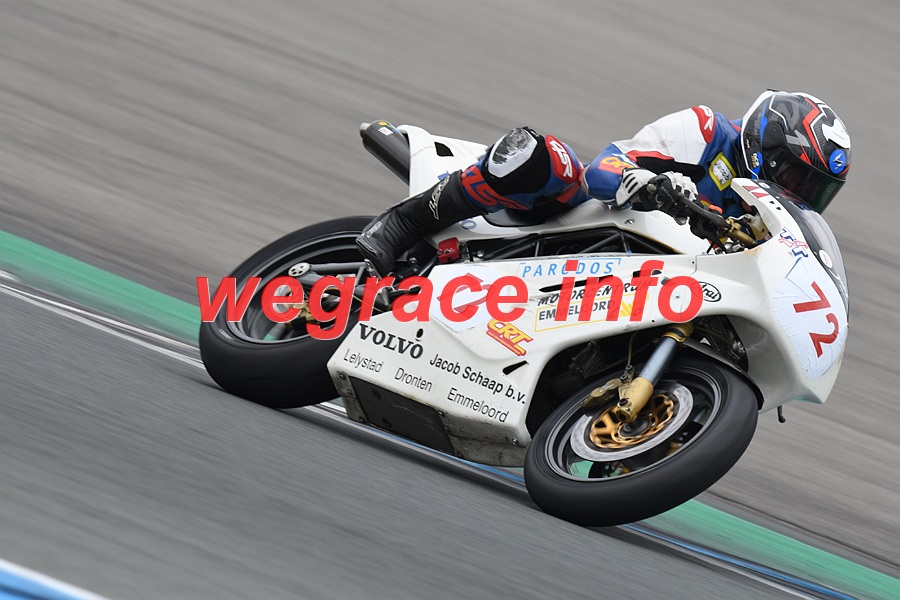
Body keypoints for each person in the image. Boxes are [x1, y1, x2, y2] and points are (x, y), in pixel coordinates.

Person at [356, 91, 851, 276]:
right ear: (767, 144)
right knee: (548, 160)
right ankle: (404, 223)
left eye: (815, 193)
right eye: (797, 177)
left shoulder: (766, 223)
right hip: (591, 226)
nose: (799, 196)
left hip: (657, 283)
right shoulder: (706, 131)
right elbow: (606, 169)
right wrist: (650, 185)